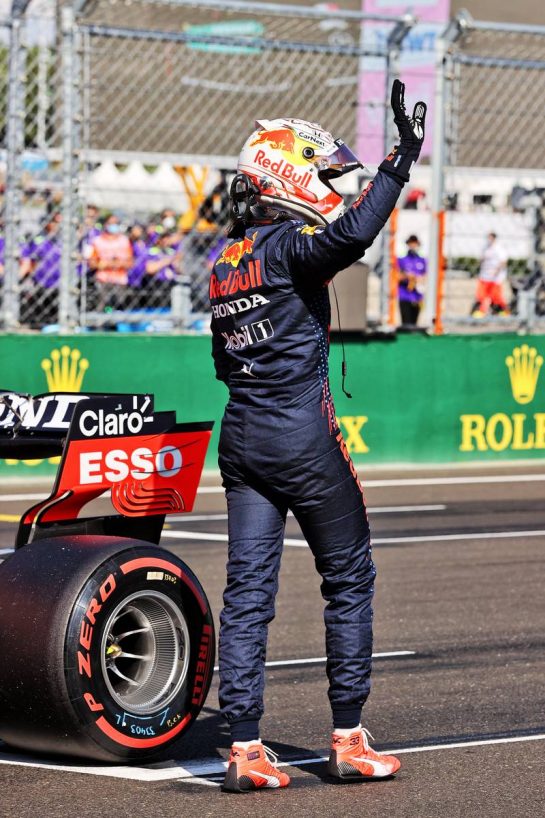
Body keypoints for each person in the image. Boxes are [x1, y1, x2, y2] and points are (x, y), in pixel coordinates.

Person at [209, 80, 426, 793]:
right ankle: (347, 740)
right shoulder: (288, 249)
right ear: (288, 177)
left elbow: (221, 363)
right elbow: (353, 233)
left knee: (247, 596)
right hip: (299, 437)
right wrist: (397, 166)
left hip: (239, 438)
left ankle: (242, 747)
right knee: (349, 578)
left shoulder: (223, 264)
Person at [19, 213, 62, 327]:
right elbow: (31, 260)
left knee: (57, 312)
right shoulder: (38, 239)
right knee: (39, 313)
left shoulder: (63, 240)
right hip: (40, 282)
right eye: (54, 222)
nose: (56, 225)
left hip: (59, 283)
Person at [88, 213, 133, 311]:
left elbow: (130, 262)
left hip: (120, 280)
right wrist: (113, 264)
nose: (113, 225)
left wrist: (107, 264)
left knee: (120, 307)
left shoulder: (124, 240)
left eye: (115, 223)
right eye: (110, 223)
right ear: (105, 225)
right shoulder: (98, 241)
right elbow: (92, 263)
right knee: (102, 307)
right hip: (103, 280)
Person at [471, 232, 509, 317]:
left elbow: (503, 262)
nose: (489, 240)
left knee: (496, 296)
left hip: (495, 277)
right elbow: (481, 259)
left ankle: (504, 311)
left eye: (491, 238)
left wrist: (496, 272)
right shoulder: (485, 248)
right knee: (481, 294)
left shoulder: (499, 248)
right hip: (485, 275)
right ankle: (481, 311)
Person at [397, 234, 426, 326]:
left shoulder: (422, 261)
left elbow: (425, 276)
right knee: (406, 323)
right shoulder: (402, 260)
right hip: (405, 295)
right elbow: (396, 276)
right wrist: (408, 277)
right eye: (411, 243)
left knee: (414, 323)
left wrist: (419, 279)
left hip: (417, 296)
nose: (413, 245)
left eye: (415, 243)